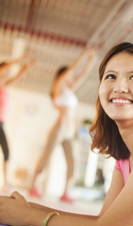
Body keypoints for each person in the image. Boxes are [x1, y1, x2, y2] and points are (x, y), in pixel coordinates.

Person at [0, 41, 133, 226]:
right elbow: (103, 219)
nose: (119, 86)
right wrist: (26, 208)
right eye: (110, 76)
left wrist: (28, 217)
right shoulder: (125, 154)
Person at [29, 48, 96, 202]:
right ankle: (33, 186)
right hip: (59, 127)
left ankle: (65, 192)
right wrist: (83, 55)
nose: (72, 77)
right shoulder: (57, 88)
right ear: (62, 76)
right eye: (69, 75)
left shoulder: (69, 90)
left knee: (72, 160)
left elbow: (83, 74)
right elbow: (72, 69)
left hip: (69, 130)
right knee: (46, 157)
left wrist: (90, 61)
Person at [0, 56, 35, 191]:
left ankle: (5, 183)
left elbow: (18, 76)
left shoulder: (4, 85)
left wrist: (26, 67)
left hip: (1, 124)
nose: (6, 75)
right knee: (7, 152)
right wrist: (19, 60)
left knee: (7, 152)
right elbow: (3, 68)